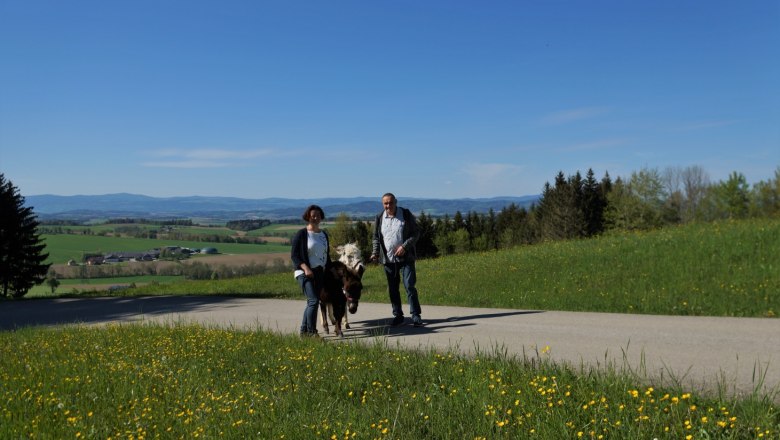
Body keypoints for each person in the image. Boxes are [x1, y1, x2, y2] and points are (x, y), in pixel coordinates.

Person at [370, 193, 424, 327]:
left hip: (406, 258)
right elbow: (376, 237)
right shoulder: (379, 217)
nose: (388, 206)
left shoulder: (405, 214)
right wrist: (375, 253)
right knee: (393, 289)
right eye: (385, 203)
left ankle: (415, 315)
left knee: (409, 286)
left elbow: (416, 232)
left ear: (396, 202)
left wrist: (405, 247)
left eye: (390, 203)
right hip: (388, 259)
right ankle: (398, 315)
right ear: (383, 204)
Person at [291, 204, 331, 337]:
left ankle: (303, 332)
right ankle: (312, 332)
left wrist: (331, 271)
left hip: (319, 273)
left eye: (318, 215)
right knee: (314, 301)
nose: (315, 218)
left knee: (311, 302)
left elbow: (326, 255)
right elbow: (294, 255)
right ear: (308, 217)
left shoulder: (323, 234)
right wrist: (305, 268)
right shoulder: (302, 234)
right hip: (304, 273)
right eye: (313, 215)